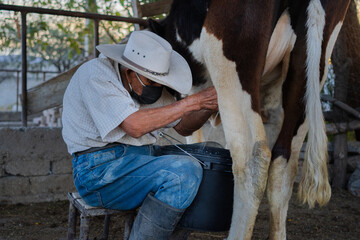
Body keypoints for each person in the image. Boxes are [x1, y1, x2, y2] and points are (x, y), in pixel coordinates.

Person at [61, 30, 218, 239]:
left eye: (160, 83)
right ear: (128, 72)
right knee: (182, 173)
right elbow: (134, 125)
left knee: (209, 156)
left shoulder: (153, 88)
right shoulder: (96, 74)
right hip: (99, 172)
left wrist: (208, 104)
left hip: (141, 157)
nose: (156, 89)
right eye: (151, 82)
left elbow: (183, 127)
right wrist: (193, 101)